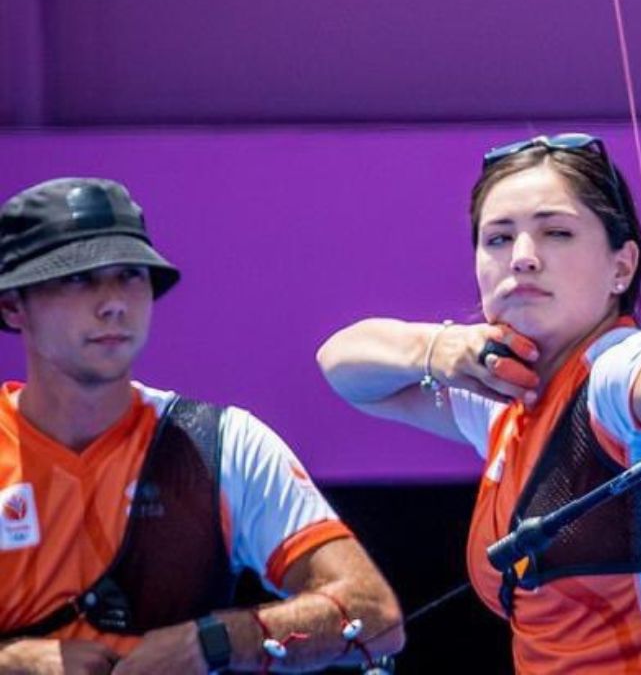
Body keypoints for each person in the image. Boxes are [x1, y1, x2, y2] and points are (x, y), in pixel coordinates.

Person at [317, 134, 641, 673]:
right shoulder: (503, 400)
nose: (523, 258)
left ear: (622, 267)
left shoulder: (618, 372)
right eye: (497, 239)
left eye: (556, 232)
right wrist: (439, 348)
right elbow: (344, 366)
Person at [0, 177, 404, 674]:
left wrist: (216, 640)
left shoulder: (222, 446)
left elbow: (375, 614)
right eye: (79, 278)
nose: (113, 302)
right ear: (12, 306)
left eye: (130, 274)